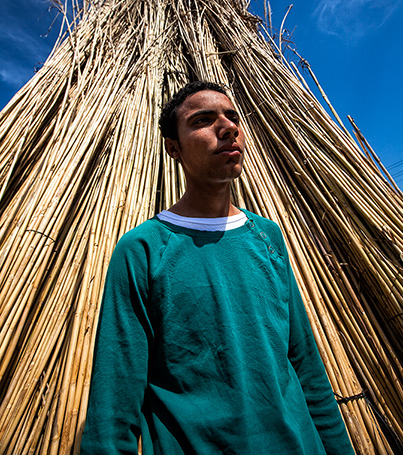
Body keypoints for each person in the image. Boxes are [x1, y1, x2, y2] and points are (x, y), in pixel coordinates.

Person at [81, 80, 355, 455]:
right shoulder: (143, 249)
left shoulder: (267, 237)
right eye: (204, 120)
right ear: (173, 149)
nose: (227, 128)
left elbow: (306, 364)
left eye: (232, 117)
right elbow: (114, 401)